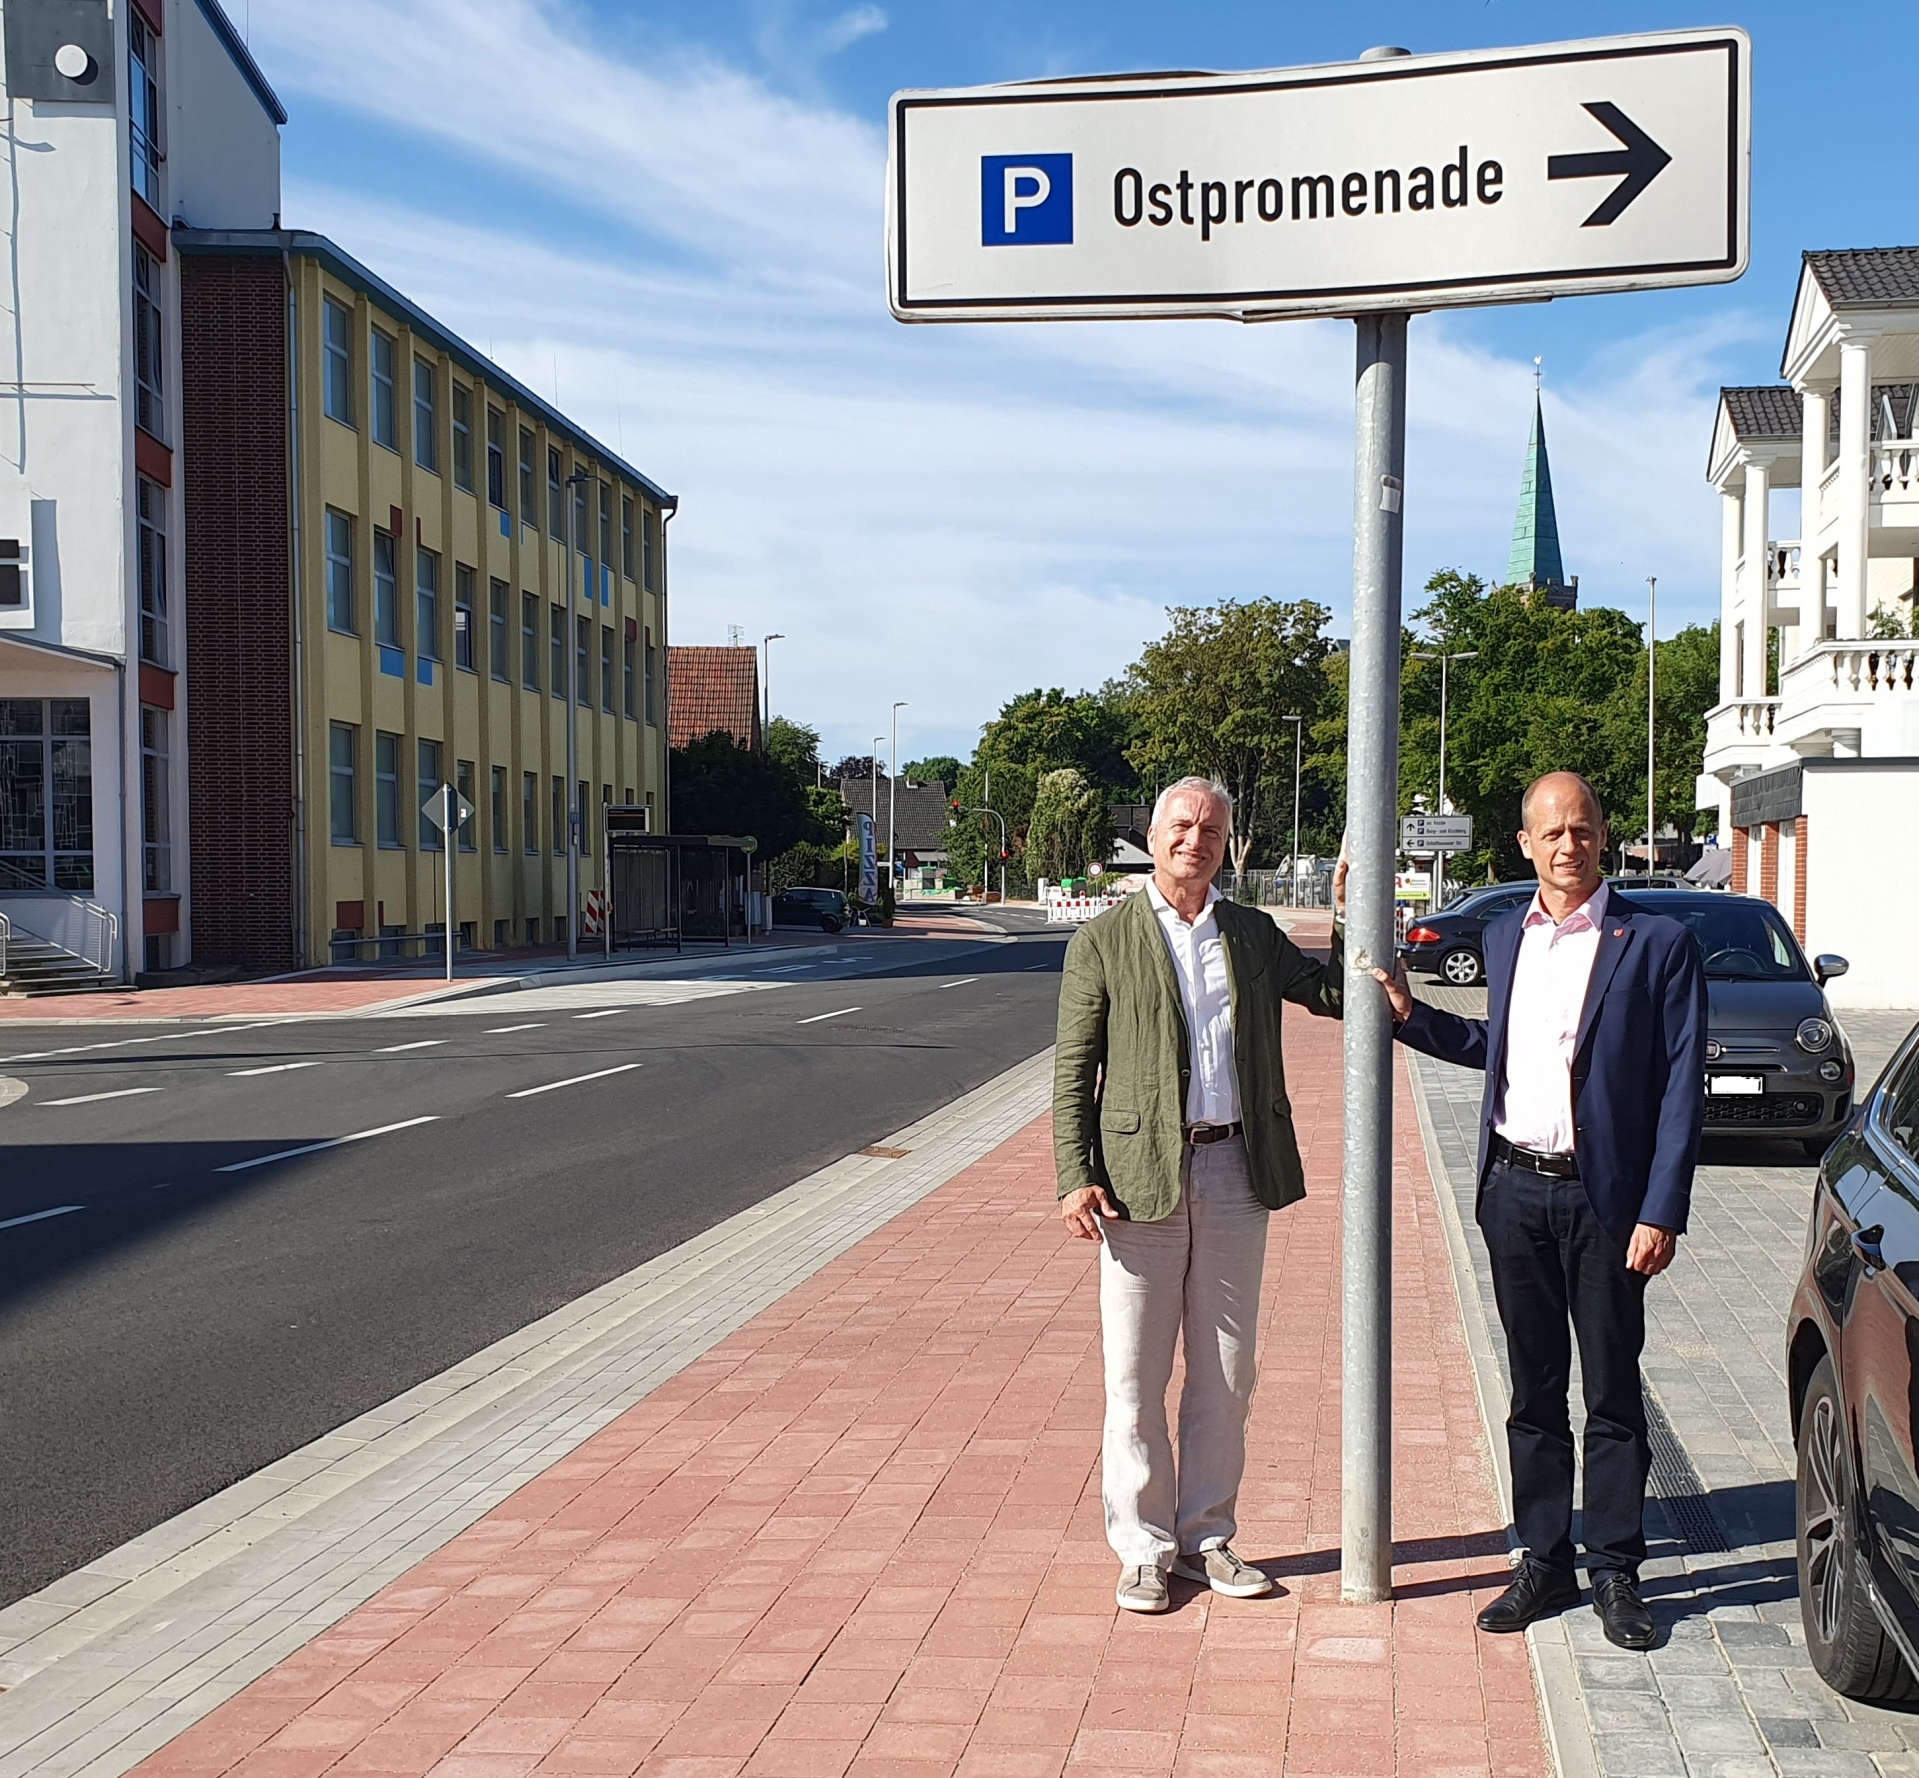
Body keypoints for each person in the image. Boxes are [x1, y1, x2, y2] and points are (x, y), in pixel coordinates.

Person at [1374, 771, 1707, 1650]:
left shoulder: (1655, 940)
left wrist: (1660, 1209)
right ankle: (1545, 1561)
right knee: (1532, 1392)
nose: (1568, 845)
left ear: (1605, 837)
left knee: (1610, 1392)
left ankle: (1616, 1570)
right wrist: (1412, 1019)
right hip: (1514, 1192)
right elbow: (1501, 1051)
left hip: (1606, 1203)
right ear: (1523, 845)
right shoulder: (1501, 934)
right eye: (1550, 833)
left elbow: (1680, 1086)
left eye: (1583, 829)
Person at [1053, 776, 1344, 1612]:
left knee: (1226, 1371)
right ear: (1152, 836)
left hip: (1233, 1171)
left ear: (1226, 841)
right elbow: (1074, 1072)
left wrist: (1354, 918)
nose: (1195, 839)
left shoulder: (1250, 934)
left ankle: (1207, 1537)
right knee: (1136, 1378)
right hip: (1136, 1183)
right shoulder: (1104, 940)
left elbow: (1328, 993)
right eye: (1181, 825)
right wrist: (1074, 1174)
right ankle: (1142, 1547)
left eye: (1211, 828)